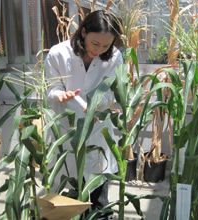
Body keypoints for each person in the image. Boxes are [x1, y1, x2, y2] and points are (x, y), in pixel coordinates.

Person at [44, 10, 123, 219]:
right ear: (83, 32)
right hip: (67, 133)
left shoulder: (115, 57)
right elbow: (50, 90)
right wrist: (61, 94)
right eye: (95, 43)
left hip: (97, 133)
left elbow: (112, 92)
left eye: (106, 46)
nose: (99, 50)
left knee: (98, 201)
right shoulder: (57, 54)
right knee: (66, 199)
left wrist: (97, 104)